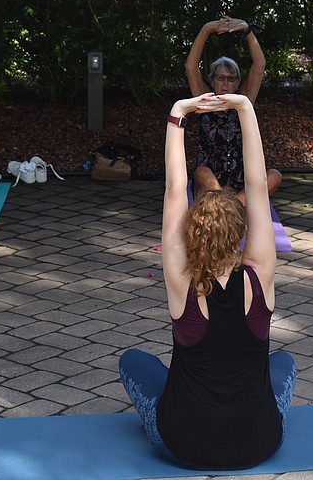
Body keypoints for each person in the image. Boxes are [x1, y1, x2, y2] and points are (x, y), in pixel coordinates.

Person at [118, 92, 296, 470]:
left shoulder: (181, 278)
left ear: (191, 232)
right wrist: (244, 107)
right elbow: (258, 186)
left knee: (132, 360)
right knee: (285, 362)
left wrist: (177, 115)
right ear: (242, 231)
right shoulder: (259, 273)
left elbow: (173, 189)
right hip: (260, 442)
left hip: (182, 444)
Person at [185, 16, 282, 205]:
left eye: (231, 79)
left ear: (237, 82)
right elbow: (190, 67)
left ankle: (232, 207)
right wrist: (206, 29)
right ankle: (233, 208)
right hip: (210, 181)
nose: (225, 83)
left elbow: (259, 66)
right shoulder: (205, 99)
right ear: (212, 80)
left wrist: (247, 30)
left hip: (242, 183)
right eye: (220, 78)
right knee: (203, 173)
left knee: (274, 176)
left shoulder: (243, 101)